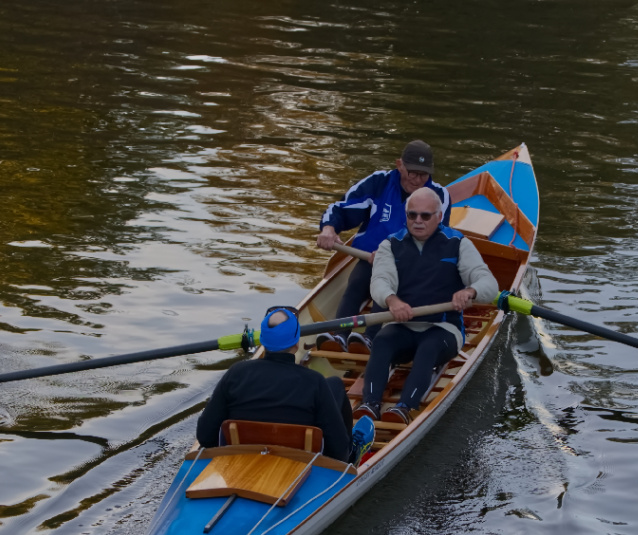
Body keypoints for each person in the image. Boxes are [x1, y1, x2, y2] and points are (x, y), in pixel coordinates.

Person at [354, 187, 498, 425]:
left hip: (443, 327)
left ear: (439, 217)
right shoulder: (390, 245)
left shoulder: (458, 244)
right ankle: (369, 405)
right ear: (406, 216)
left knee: (429, 348)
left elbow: (489, 283)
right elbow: (379, 282)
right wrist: (392, 300)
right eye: (412, 215)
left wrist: (470, 291)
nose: (418, 221)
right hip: (403, 324)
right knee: (381, 341)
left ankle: (404, 408)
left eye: (425, 216)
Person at [315, 140, 452, 354]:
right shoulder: (378, 182)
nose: (417, 180)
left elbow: (434, 237)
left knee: (386, 285)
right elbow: (342, 208)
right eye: (412, 173)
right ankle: (338, 335)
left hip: (411, 264)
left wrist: (394, 252)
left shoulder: (439, 196)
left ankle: (370, 338)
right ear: (400, 165)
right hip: (370, 258)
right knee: (357, 282)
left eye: (423, 175)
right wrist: (329, 229)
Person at [196, 307, 374, 464]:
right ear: (296, 344)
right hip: (300, 464)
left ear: (263, 342)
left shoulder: (236, 373)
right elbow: (337, 453)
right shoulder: (314, 382)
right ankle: (354, 452)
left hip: (240, 461)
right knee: (335, 384)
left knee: (333, 384)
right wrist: (344, 454)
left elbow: (205, 436)